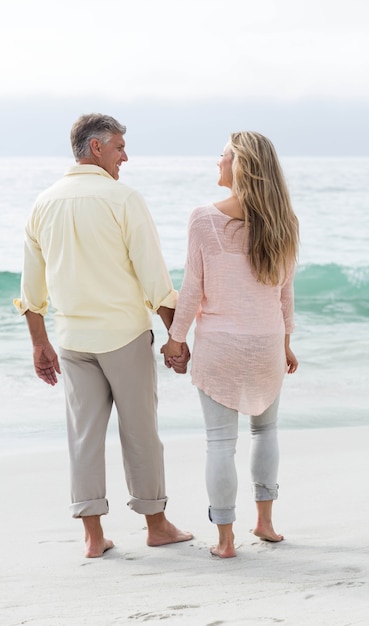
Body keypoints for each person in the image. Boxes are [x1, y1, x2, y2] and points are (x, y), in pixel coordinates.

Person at [14, 113, 192, 558]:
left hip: (72, 340)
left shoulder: (43, 203)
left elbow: (31, 291)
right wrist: (178, 338)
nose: (124, 157)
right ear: (96, 148)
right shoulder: (123, 198)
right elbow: (155, 279)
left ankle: (93, 537)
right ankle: (157, 526)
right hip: (124, 336)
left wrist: (39, 344)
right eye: (118, 148)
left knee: (83, 435)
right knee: (141, 432)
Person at [161, 131, 299, 558]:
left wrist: (175, 340)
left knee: (221, 443)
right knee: (266, 431)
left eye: (222, 156)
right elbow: (285, 294)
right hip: (267, 346)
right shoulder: (285, 222)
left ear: (239, 165)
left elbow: (192, 290)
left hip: (221, 347)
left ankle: (225, 540)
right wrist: (287, 344)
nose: (216, 163)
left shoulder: (204, 217)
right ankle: (266, 523)